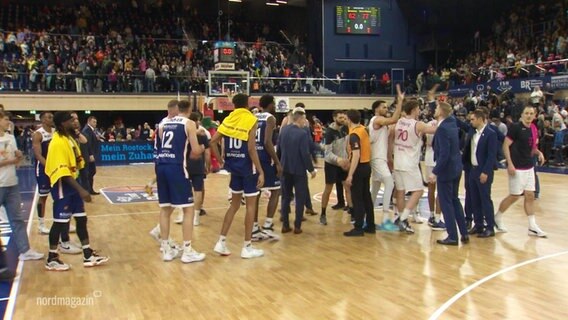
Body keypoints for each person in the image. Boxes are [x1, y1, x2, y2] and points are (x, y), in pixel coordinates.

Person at [44, 111, 108, 271]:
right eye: (70, 120)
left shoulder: (69, 138)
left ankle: (87, 254)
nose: (75, 122)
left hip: (74, 182)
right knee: (60, 223)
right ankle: (52, 258)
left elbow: (79, 154)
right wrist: (82, 190)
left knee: (81, 219)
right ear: (62, 124)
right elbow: (63, 172)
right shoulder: (58, 142)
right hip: (63, 185)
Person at [210, 93, 265, 258]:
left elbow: (213, 142)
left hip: (233, 167)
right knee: (250, 206)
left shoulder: (228, 120)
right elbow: (251, 148)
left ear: (233, 105)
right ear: (247, 103)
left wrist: (221, 161)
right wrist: (261, 170)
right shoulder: (251, 119)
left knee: (233, 206)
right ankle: (247, 247)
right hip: (248, 168)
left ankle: (221, 241)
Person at [155, 100, 206, 263]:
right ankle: (188, 250)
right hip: (177, 167)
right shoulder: (189, 123)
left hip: (161, 166)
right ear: (189, 110)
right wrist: (203, 147)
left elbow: (164, 144)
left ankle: (166, 250)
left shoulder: (164, 123)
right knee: (188, 209)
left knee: (165, 208)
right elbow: (196, 150)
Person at [0, 110, 45, 265]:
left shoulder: (10, 137)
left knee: (17, 219)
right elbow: (8, 161)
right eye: (6, 119)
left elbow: (16, 161)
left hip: (12, 183)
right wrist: (10, 161)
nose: (8, 122)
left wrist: (18, 157)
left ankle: (25, 251)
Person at [495, 105, 547, 237]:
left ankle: (532, 226)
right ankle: (498, 217)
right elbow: (505, 145)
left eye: (531, 113)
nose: (529, 115)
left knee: (530, 196)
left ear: (534, 115)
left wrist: (539, 153)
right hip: (516, 168)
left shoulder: (534, 128)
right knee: (514, 196)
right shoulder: (515, 128)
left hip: (529, 167)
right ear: (522, 115)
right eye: (526, 113)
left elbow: (532, 148)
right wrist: (510, 164)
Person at [393, 99, 437, 233]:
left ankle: (401, 219)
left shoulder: (399, 121)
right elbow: (434, 130)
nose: (419, 111)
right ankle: (403, 218)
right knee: (419, 190)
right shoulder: (418, 125)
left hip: (398, 161)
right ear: (413, 110)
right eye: (418, 109)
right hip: (410, 163)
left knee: (400, 191)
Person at [429, 102, 468, 245]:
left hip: (446, 169)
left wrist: (435, 171)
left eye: (437, 108)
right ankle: (464, 232)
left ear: (441, 112)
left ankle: (452, 236)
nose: (434, 110)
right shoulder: (452, 123)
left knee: (446, 203)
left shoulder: (443, 129)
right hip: (457, 167)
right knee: (455, 200)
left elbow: (444, 154)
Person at [369, 84, 403, 231]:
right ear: (376, 109)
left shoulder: (380, 123)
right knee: (389, 182)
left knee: (375, 189)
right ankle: (385, 220)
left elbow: (388, 141)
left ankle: (367, 218)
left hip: (380, 158)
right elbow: (394, 118)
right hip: (376, 158)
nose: (386, 109)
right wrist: (400, 101)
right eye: (383, 107)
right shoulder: (377, 119)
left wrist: (389, 159)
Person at [278, 106, 316, 234]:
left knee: (285, 197)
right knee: (300, 198)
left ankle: (285, 225)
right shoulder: (302, 133)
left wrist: (278, 165)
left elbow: (279, 150)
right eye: (304, 119)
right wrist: (311, 169)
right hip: (299, 170)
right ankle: (297, 226)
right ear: (300, 119)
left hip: (284, 168)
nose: (305, 122)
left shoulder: (283, 131)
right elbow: (305, 153)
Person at [463, 109, 498, 238]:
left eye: (472, 119)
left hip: (483, 171)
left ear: (480, 119)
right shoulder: (473, 133)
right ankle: (478, 225)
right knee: (474, 198)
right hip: (472, 169)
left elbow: (491, 155)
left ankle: (490, 226)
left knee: (485, 199)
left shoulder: (491, 134)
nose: (470, 122)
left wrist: (485, 171)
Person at [251, 95, 282, 241]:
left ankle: (254, 227)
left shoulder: (254, 116)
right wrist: (277, 161)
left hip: (254, 158)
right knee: (276, 191)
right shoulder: (270, 118)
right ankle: (268, 225)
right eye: (274, 103)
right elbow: (267, 142)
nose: (275, 106)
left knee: (255, 194)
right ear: (269, 104)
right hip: (266, 158)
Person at [174, 111, 211, 227]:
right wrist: (208, 166)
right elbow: (207, 153)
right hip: (198, 166)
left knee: (184, 190)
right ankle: (196, 217)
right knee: (198, 191)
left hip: (185, 166)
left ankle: (181, 214)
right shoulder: (202, 134)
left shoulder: (183, 133)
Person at [343, 109, 374, 236]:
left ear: (349, 119)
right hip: (366, 165)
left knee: (358, 198)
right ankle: (370, 225)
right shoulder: (364, 129)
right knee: (366, 196)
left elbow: (356, 155)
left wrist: (350, 174)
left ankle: (358, 227)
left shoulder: (354, 134)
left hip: (359, 167)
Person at [320, 110, 350, 226]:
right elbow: (327, 153)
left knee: (348, 186)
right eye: (341, 118)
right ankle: (323, 214)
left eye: (344, 117)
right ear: (334, 118)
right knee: (328, 189)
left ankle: (351, 211)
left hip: (343, 163)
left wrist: (347, 159)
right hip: (332, 164)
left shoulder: (345, 129)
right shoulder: (329, 132)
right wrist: (339, 160)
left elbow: (347, 146)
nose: (343, 120)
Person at [32, 111, 54, 234]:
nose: (51, 119)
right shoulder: (38, 134)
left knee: (59, 196)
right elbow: (38, 155)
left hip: (55, 168)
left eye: (52, 117)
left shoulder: (56, 132)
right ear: (43, 120)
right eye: (48, 117)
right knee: (44, 197)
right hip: (43, 169)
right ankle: (41, 224)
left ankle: (62, 220)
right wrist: (49, 167)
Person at [82, 116, 100, 195]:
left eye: (96, 122)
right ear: (88, 121)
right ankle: (87, 190)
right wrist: (90, 154)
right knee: (90, 172)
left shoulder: (91, 130)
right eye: (93, 122)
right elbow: (87, 143)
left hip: (91, 154)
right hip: (89, 156)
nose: (95, 123)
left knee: (91, 172)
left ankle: (90, 189)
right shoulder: (87, 130)